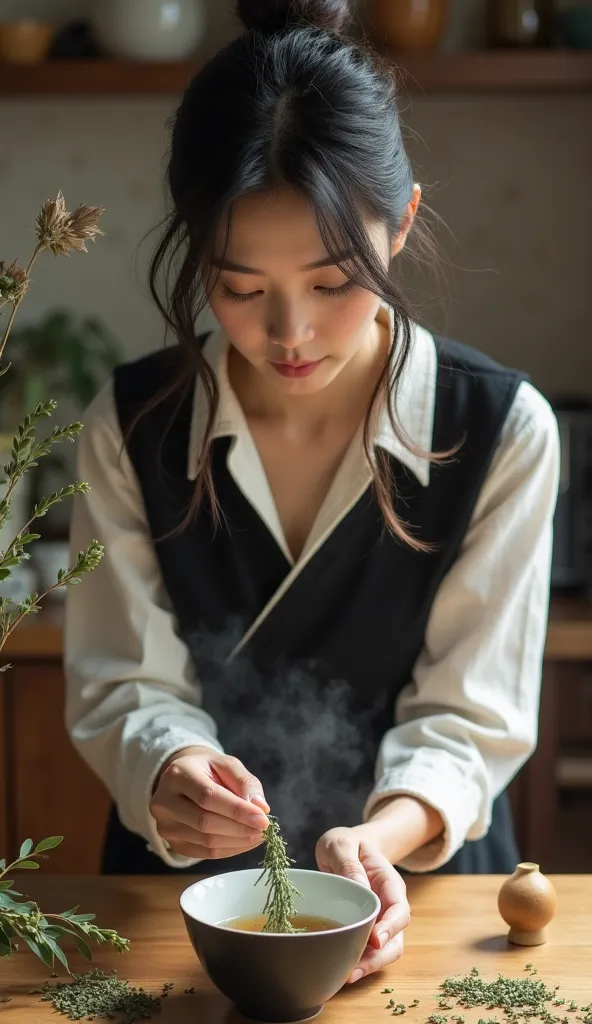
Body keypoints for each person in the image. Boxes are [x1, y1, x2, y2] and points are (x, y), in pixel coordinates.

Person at [65, 0, 559, 983]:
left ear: (403, 219)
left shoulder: (500, 429)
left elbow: (468, 718)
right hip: (179, 907)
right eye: (240, 288)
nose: (289, 331)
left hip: (420, 896)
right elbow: (127, 681)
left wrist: (378, 838)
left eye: (334, 281)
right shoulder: (131, 426)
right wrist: (167, 768)